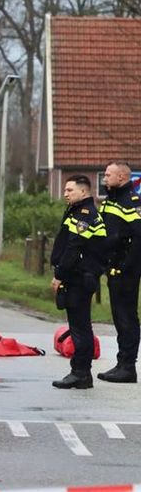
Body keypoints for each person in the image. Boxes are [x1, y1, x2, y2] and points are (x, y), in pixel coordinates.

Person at [51, 174, 106, 389]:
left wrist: (59, 275)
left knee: (80, 327)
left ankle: (80, 373)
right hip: (80, 276)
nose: (65, 194)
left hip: (79, 278)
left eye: (69, 190)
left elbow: (74, 248)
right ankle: (82, 373)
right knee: (80, 326)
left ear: (83, 192)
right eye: (64, 190)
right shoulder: (79, 211)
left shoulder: (84, 214)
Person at [98, 162, 141, 383]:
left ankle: (128, 366)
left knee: (127, 316)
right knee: (118, 316)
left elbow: (138, 238)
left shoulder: (132, 202)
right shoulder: (110, 201)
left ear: (122, 177)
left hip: (126, 269)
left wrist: (125, 266)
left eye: (108, 175)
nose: (104, 178)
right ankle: (121, 362)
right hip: (112, 267)